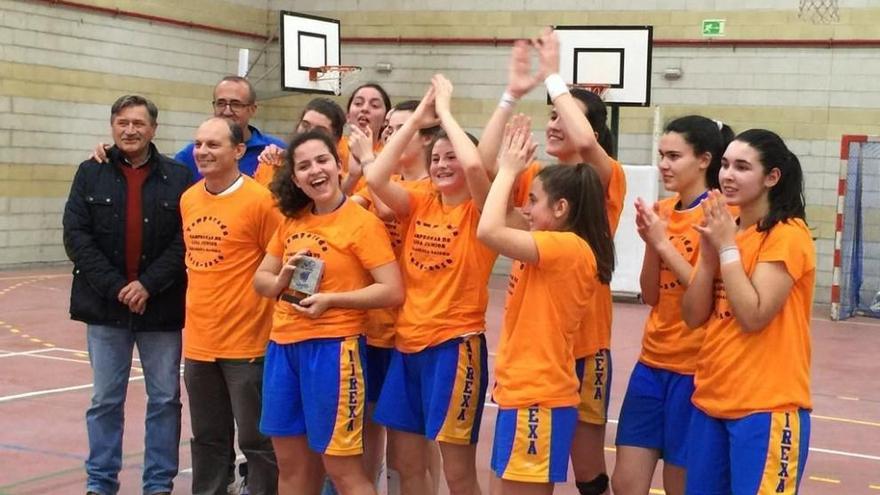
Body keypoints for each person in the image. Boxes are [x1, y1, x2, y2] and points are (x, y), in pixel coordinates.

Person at [479, 29, 625, 495]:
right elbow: (481, 170)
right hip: (536, 355)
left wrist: (553, 78)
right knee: (526, 471)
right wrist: (511, 95)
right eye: (550, 116)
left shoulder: (602, 178)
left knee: (584, 465)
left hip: (579, 347)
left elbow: (583, 139)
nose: (554, 123)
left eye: (564, 116)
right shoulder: (539, 180)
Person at [252, 129, 404, 495]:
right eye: (303, 166)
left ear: (338, 166)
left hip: (334, 351)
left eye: (322, 161)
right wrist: (281, 279)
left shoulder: (361, 222)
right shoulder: (293, 220)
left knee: (341, 470)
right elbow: (261, 279)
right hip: (283, 347)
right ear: (296, 179)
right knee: (290, 468)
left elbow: (392, 289)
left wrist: (333, 300)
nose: (314, 171)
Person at [367, 76, 495, 495]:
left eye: (449, 157)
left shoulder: (481, 211)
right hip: (407, 347)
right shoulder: (420, 200)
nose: (441, 164)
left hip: (454, 348)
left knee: (458, 474)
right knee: (406, 464)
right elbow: (377, 176)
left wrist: (445, 114)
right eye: (435, 157)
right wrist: (418, 118)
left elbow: (475, 166)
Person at [62, 94, 192, 495]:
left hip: (161, 308)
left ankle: (158, 484)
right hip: (105, 310)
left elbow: (183, 241)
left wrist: (148, 284)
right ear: (112, 127)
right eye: (122, 122)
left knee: (166, 400)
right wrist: (119, 288)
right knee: (105, 400)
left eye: (138, 123)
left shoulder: (178, 176)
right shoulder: (90, 172)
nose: (130, 130)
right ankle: (100, 483)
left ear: (154, 128)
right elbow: (76, 236)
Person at [681, 129, 814, 493]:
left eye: (742, 167)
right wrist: (709, 260)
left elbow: (753, 315)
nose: (727, 175)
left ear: (772, 177)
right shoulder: (727, 230)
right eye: (725, 164)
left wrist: (726, 250)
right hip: (711, 401)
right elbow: (692, 316)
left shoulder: (788, 235)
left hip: (766, 407)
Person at [611, 116, 733, 495]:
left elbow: (708, 295)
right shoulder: (663, 211)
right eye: (661, 155)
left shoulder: (721, 215)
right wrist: (651, 240)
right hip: (652, 364)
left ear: (704, 160)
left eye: (674, 156)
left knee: (680, 484)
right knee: (625, 482)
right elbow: (651, 294)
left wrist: (664, 244)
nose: (664, 164)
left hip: (694, 369)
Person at [180, 117, 281, 495]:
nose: (202, 152)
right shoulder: (189, 199)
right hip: (200, 344)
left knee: (257, 440)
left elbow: (279, 264)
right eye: (199, 144)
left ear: (239, 151)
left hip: (247, 345)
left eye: (213, 145)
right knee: (207, 437)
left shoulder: (261, 201)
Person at [253, 97, 347, 187]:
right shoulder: (271, 163)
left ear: (336, 140)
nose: (309, 133)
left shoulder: (341, 180)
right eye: (305, 125)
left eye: (319, 131)